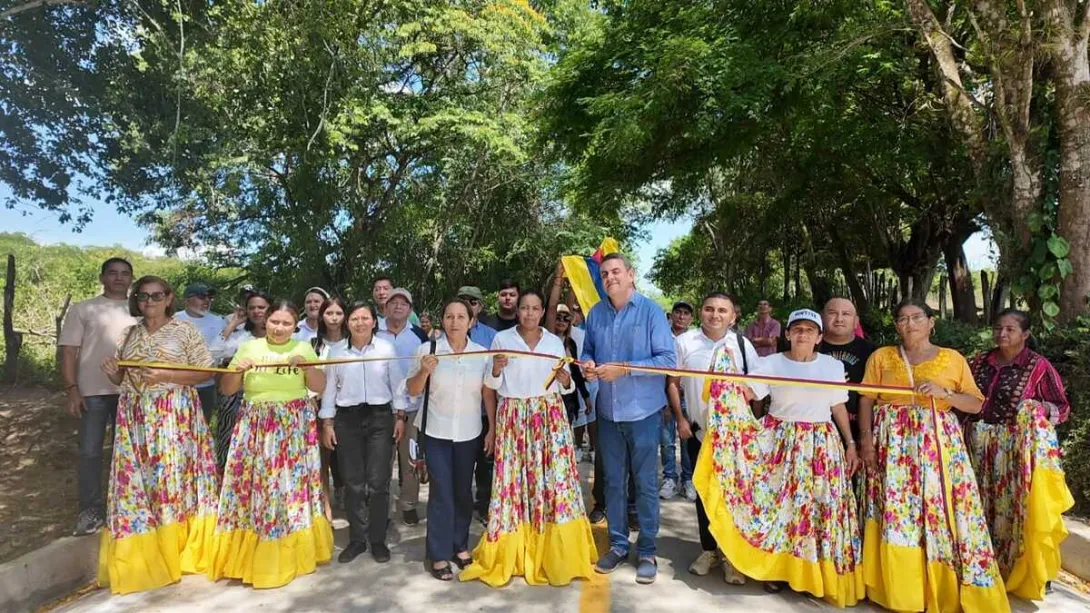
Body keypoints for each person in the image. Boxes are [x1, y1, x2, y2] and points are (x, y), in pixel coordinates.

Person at [698, 309, 865, 605]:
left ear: (819, 337)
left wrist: (851, 442)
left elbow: (838, 406)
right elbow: (748, 394)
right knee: (781, 510)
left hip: (821, 444)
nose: (803, 334)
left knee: (817, 508)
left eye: (809, 330)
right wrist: (725, 371)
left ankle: (810, 574)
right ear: (787, 334)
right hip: (780, 443)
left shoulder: (830, 366)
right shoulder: (770, 363)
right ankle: (777, 572)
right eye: (797, 329)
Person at [858, 300, 1008, 612]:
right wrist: (866, 442)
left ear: (931, 322)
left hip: (937, 446)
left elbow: (975, 404)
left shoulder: (952, 359)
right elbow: (867, 400)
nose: (909, 323)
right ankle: (902, 591)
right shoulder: (881, 356)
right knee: (898, 513)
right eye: (902, 319)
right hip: (893, 448)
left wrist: (945, 394)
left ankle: (945, 586)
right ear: (896, 326)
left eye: (916, 317)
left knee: (940, 512)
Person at [461, 291, 597, 586]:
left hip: (549, 416)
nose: (529, 313)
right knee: (514, 482)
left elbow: (567, 386)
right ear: (517, 311)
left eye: (535, 308)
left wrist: (567, 382)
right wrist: (496, 370)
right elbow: (491, 384)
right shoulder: (503, 339)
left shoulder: (553, 342)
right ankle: (516, 551)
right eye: (524, 308)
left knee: (553, 482)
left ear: (541, 311)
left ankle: (555, 550)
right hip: (513, 417)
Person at [97, 276, 219, 594]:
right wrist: (115, 375)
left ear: (169, 298)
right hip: (135, 415)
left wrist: (166, 374)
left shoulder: (184, 330)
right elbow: (123, 378)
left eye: (156, 295)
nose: (149, 301)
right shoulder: (129, 333)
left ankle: (178, 551)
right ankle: (145, 551)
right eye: (143, 296)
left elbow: (206, 372)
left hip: (174, 414)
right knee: (140, 483)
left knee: (172, 480)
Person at [208, 300, 332, 588]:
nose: (279, 328)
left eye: (286, 323)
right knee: (260, 487)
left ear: (295, 325)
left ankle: (292, 550)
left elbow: (319, 385)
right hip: (256, 425)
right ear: (266, 321)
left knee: (290, 488)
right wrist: (237, 370)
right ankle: (255, 550)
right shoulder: (249, 347)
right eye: (275, 322)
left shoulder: (302, 347)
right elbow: (228, 389)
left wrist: (308, 366)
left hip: (293, 426)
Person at [581, 253, 676, 585]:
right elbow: (587, 351)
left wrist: (625, 368)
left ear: (631, 275)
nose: (609, 277)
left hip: (644, 413)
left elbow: (668, 360)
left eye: (616, 271)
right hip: (607, 412)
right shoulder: (595, 313)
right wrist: (589, 367)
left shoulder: (650, 312)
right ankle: (619, 545)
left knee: (646, 484)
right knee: (612, 484)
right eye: (605, 273)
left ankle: (647, 549)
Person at [965, 309, 1073, 600]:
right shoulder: (977, 362)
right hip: (976, 445)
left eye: (1011, 329)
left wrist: (1038, 409)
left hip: (1016, 450)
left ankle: (1029, 569)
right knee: (979, 504)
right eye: (998, 328)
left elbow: (1061, 407)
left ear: (1025, 334)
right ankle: (984, 564)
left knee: (1017, 505)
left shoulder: (1038, 366)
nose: (1002, 334)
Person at [668, 293, 758, 585]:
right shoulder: (685, 342)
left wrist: (752, 426)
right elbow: (673, 382)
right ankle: (708, 550)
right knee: (704, 495)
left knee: (734, 496)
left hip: (734, 439)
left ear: (733, 316)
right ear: (701, 313)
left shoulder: (742, 345)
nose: (715, 315)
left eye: (722, 311)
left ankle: (732, 556)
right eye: (709, 309)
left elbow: (756, 387)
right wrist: (680, 419)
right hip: (698, 432)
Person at [403, 299, 496, 581]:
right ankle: (438, 553)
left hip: (469, 432)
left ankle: (460, 545)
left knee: (463, 492)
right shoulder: (427, 350)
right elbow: (412, 390)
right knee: (441, 493)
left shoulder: (481, 353)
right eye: (449, 316)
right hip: (436, 433)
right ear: (442, 320)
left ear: (471, 321)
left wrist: (492, 428)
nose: (454, 322)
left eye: (460, 317)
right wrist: (424, 371)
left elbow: (487, 393)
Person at [320, 302, 405, 565]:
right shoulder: (335, 351)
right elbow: (329, 391)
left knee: (378, 482)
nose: (359, 323)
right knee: (353, 482)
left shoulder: (386, 349)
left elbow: (398, 385)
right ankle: (357, 539)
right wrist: (327, 423)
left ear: (373, 321)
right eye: (354, 318)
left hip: (380, 418)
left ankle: (377, 539)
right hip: (347, 420)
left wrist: (400, 416)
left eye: (364, 318)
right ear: (348, 322)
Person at [59, 257, 137, 536]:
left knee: (126, 454)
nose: (119, 278)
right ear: (102, 277)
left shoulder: (141, 309)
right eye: (113, 273)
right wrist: (72, 389)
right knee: (90, 452)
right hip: (92, 393)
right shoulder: (85, 309)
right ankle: (89, 511)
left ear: (131, 279)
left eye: (125, 274)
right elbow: (69, 351)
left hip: (131, 393)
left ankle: (123, 508)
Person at [377, 288, 428, 525]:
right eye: (393, 302)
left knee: (410, 458)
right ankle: (382, 509)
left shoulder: (420, 335)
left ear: (410, 309)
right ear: (385, 307)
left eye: (403, 303)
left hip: (412, 406)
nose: (398, 306)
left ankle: (408, 504)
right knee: (381, 460)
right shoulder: (374, 334)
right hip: (381, 406)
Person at [208, 291, 271, 471]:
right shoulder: (241, 336)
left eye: (261, 307)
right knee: (230, 444)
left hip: (266, 398)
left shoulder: (281, 336)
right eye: (252, 308)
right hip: (234, 397)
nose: (257, 311)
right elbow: (213, 353)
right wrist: (234, 323)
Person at [456, 285, 499, 522]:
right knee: (461, 465)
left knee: (485, 464)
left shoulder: (492, 337)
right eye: (463, 300)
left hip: (483, 412)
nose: (468, 305)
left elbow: (495, 377)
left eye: (473, 302)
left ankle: (484, 505)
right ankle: (460, 507)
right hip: (457, 413)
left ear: (480, 307)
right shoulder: (444, 335)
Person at [311, 297, 349, 519]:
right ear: (321, 315)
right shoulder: (312, 345)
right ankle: (325, 508)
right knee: (321, 461)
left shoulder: (353, 342)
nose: (334, 318)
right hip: (318, 407)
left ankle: (344, 492)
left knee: (345, 459)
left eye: (338, 313)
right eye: (329, 313)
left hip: (346, 408)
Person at [818, 298, 877, 442]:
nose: (839, 319)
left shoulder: (873, 352)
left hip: (860, 431)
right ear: (821, 317)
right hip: (817, 430)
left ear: (856, 321)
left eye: (846, 314)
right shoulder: (808, 348)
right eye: (832, 313)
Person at [173, 282, 225, 424]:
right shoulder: (174, 320)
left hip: (207, 386)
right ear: (187, 300)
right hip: (179, 385)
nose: (207, 301)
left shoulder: (219, 321)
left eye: (209, 297)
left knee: (203, 427)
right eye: (202, 297)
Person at [660, 301, 694, 501]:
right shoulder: (661, 336)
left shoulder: (695, 340)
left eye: (686, 313)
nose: (681, 316)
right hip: (664, 396)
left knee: (687, 441)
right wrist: (662, 398)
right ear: (671, 315)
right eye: (678, 312)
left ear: (691, 318)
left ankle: (688, 480)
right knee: (666, 441)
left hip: (687, 397)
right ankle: (669, 478)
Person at [553, 304, 591, 425]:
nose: (562, 321)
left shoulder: (570, 344)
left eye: (566, 318)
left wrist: (586, 397)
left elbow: (575, 372)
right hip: (549, 396)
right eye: (558, 317)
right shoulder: (544, 340)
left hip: (568, 397)